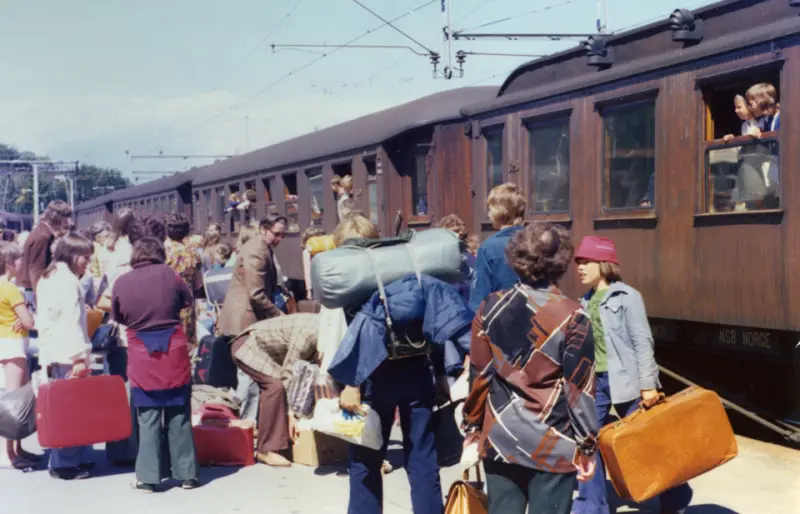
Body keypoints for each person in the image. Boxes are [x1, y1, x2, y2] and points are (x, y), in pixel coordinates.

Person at [462, 224, 597, 514]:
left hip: (500, 437)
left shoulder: (489, 307)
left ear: (516, 258)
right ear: (561, 261)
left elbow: (480, 375)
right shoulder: (574, 316)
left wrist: (472, 426)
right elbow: (579, 389)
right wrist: (587, 444)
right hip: (553, 442)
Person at [571, 236, 692, 514]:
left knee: (648, 440)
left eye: (586, 261)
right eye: (578, 262)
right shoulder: (583, 302)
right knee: (588, 442)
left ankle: (675, 496)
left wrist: (648, 385)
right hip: (595, 383)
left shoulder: (628, 297)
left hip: (628, 380)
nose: (580, 267)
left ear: (604, 264)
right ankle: (591, 506)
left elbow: (642, 342)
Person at [111, 236, 198, 492]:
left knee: (147, 416)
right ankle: (186, 474)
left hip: (141, 352)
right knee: (179, 413)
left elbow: (119, 316)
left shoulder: (122, 281)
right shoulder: (171, 275)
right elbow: (187, 301)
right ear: (159, 253)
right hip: (173, 349)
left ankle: (148, 478)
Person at [35, 233, 95, 480]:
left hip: (54, 351)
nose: (87, 263)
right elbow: (71, 322)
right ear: (71, 255)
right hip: (69, 353)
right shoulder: (69, 281)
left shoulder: (48, 276)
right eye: (84, 258)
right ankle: (66, 464)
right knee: (71, 411)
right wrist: (78, 357)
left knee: (62, 409)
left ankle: (71, 457)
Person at [229, 313, 320, 467]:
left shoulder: (322, 329)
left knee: (278, 385)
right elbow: (289, 372)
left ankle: (278, 441)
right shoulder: (309, 335)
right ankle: (266, 450)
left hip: (262, 349)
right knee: (275, 386)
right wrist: (291, 413)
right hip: (247, 345)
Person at [217, 214, 288, 336]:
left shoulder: (261, 246)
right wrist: (280, 316)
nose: (279, 239)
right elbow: (256, 294)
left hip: (245, 317)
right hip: (245, 319)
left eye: (283, 235)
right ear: (263, 230)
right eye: (276, 234)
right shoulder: (257, 252)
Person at [0, 243, 38, 471]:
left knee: (16, 400)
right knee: (13, 402)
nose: (22, 262)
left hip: (6, 342)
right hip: (13, 345)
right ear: (9, 263)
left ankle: (17, 448)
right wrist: (27, 316)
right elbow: (29, 322)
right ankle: (8, 453)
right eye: (19, 259)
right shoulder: (11, 289)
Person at [468, 183, 526, 312]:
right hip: (537, 315)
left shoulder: (489, 248)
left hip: (500, 315)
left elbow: (479, 296)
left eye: (490, 209)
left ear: (500, 212)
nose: (488, 213)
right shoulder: (535, 242)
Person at [19, 200, 73, 305]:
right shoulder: (43, 237)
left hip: (33, 290)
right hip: (35, 291)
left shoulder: (41, 233)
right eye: (65, 217)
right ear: (56, 217)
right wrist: (41, 298)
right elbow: (37, 270)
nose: (68, 221)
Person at [164, 213, 199, 349]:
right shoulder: (192, 252)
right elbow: (198, 281)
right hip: (186, 299)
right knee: (186, 339)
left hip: (167, 298)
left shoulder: (163, 251)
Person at [436, 214, 478, 305]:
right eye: (454, 231)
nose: (458, 234)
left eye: (459, 231)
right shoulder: (439, 258)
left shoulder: (471, 254)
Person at [300, 226, 326, 300]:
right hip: (316, 285)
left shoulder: (324, 249)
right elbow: (307, 271)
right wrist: (309, 290)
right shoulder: (307, 252)